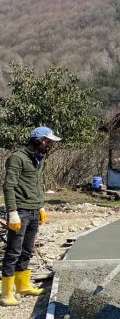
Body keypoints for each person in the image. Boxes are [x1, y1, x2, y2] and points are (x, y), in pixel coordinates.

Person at [1, 127, 60, 306]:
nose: (50, 145)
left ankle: (23, 285)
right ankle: (6, 294)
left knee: (27, 251)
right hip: (20, 211)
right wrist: (12, 213)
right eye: (48, 141)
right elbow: (8, 186)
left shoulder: (39, 160)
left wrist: (41, 206)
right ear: (38, 140)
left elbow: (37, 184)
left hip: (34, 210)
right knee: (13, 252)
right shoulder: (17, 158)